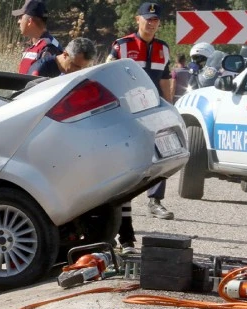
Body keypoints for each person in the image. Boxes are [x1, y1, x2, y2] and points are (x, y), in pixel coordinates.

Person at [107, 2, 174, 254]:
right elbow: (105, 75)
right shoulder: (121, 45)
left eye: (156, 20)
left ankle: (155, 200)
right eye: (148, 19)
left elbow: (166, 79)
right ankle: (123, 232)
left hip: (153, 116)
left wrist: (169, 109)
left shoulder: (163, 48)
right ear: (138, 20)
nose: (152, 23)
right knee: (124, 175)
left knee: (161, 161)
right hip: (125, 116)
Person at [12, 0, 62, 75]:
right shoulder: (32, 45)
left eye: (20, 17)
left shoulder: (49, 47)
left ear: (29, 21)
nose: (18, 21)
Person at [29, 37, 96, 77]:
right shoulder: (40, 71)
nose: (79, 71)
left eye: (84, 68)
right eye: (76, 66)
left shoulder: (72, 73)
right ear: (65, 54)